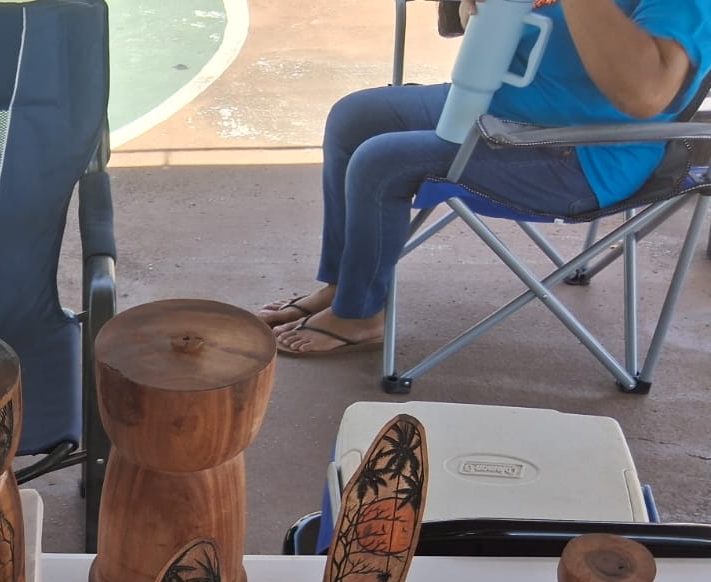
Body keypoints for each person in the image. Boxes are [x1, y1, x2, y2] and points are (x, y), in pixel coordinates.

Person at [263, 0, 711, 357]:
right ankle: (344, 283)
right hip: (496, 107)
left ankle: (359, 315)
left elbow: (645, 94)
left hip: (581, 155)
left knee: (382, 161)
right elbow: (474, 19)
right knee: (354, 117)